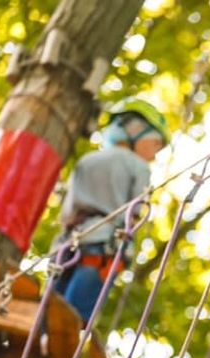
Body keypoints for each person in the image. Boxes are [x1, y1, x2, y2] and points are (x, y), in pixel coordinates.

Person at [54, 97, 168, 322]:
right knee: (71, 322)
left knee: (47, 317)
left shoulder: (87, 161)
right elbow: (134, 214)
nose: (155, 154)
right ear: (135, 131)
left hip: (64, 249)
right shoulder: (138, 166)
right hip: (102, 250)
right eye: (156, 144)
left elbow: (66, 211)